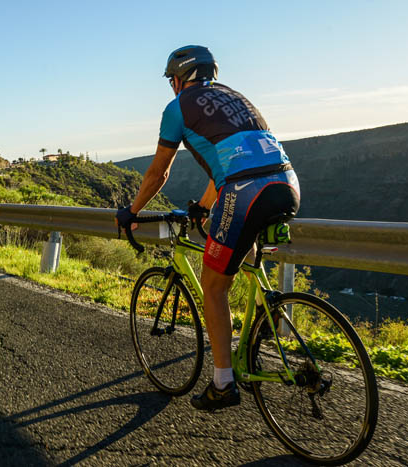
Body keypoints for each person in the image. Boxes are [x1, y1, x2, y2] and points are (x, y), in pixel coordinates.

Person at [116, 45, 301, 411]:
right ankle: (265, 318)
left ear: (179, 78)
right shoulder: (234, 97)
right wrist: (203, 207)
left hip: (247, 189)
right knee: (241, 256)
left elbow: (158, 172)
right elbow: (229, 163)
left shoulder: (178, 108)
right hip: (287, 183)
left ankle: (223, 383)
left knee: (213, 287)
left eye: (171, 79)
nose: (172, 85)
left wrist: (132, 211)